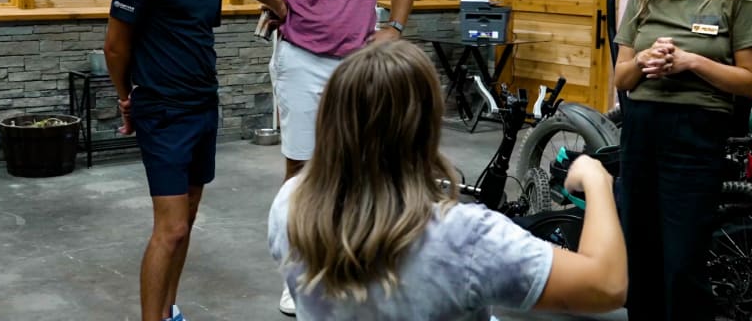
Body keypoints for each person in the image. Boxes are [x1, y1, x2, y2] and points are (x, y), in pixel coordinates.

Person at [267, 40, 626, 320]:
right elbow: (607, 286)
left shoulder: (291, 201)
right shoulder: (463, 237)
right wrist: (596, 181)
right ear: (425, 126)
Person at [214, 0, 412, 314]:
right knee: (302, 170)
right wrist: (276, 2)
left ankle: (354, 261)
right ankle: (299, 274)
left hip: (359, 65)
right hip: (302, 60)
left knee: (364, 164)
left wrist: (395, 29)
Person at [613, 0, 752, 321]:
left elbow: (751, 81)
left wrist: (691, 62)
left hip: (696, 131)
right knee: (640, 252)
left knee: (683, 259)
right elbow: (621, 79)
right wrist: (645, 60)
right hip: (642, 129)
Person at [103, 0, 230, 321]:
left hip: (203, 108)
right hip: (163, 111)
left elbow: (195, 37)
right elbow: (116, 46)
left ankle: (169, 310)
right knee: (171, 228)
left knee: (188, 220)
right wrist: (126, 97)